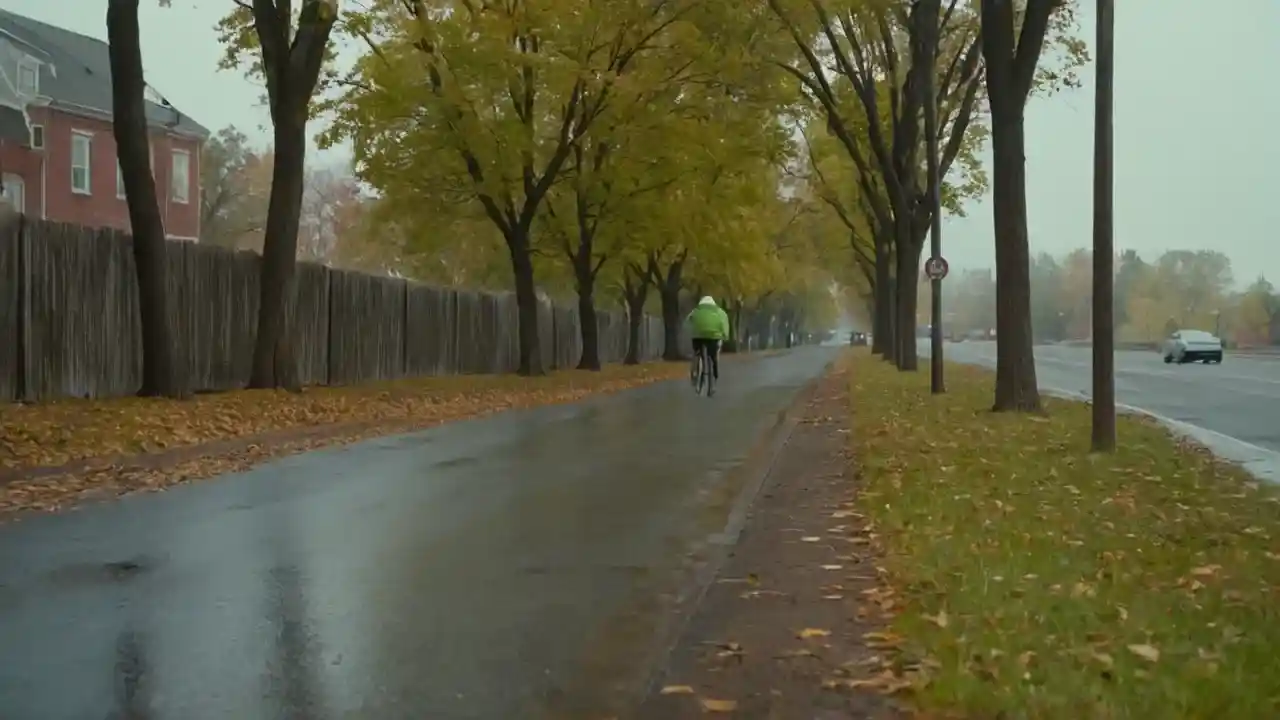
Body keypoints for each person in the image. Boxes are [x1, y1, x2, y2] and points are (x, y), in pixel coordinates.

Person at [686, 295, 731, 386]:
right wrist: (725, 336)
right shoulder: (719, 312)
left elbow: (688, 321)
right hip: (713, 336)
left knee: (697, 351)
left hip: (698, 335)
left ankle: (695, 368)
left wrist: (690, 332)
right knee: (713, 355)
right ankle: (715, 374)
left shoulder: (696, 311)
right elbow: (724, 323)